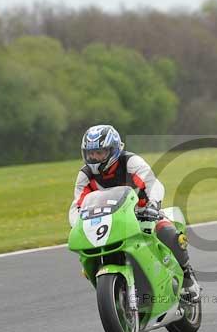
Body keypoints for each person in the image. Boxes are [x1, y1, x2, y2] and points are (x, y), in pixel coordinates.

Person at [68, 124, 201, 302]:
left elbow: (153, 184)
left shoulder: (131, 162)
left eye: (100, 153)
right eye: (91, 154)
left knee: (168, 233)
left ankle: (187, 279)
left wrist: (153, 205)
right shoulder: (84, 175)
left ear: (113, 150)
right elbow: (78, 205)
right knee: (87, 255)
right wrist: (77, 223)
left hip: (142, 214)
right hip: (108, 222)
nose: (95, 158)